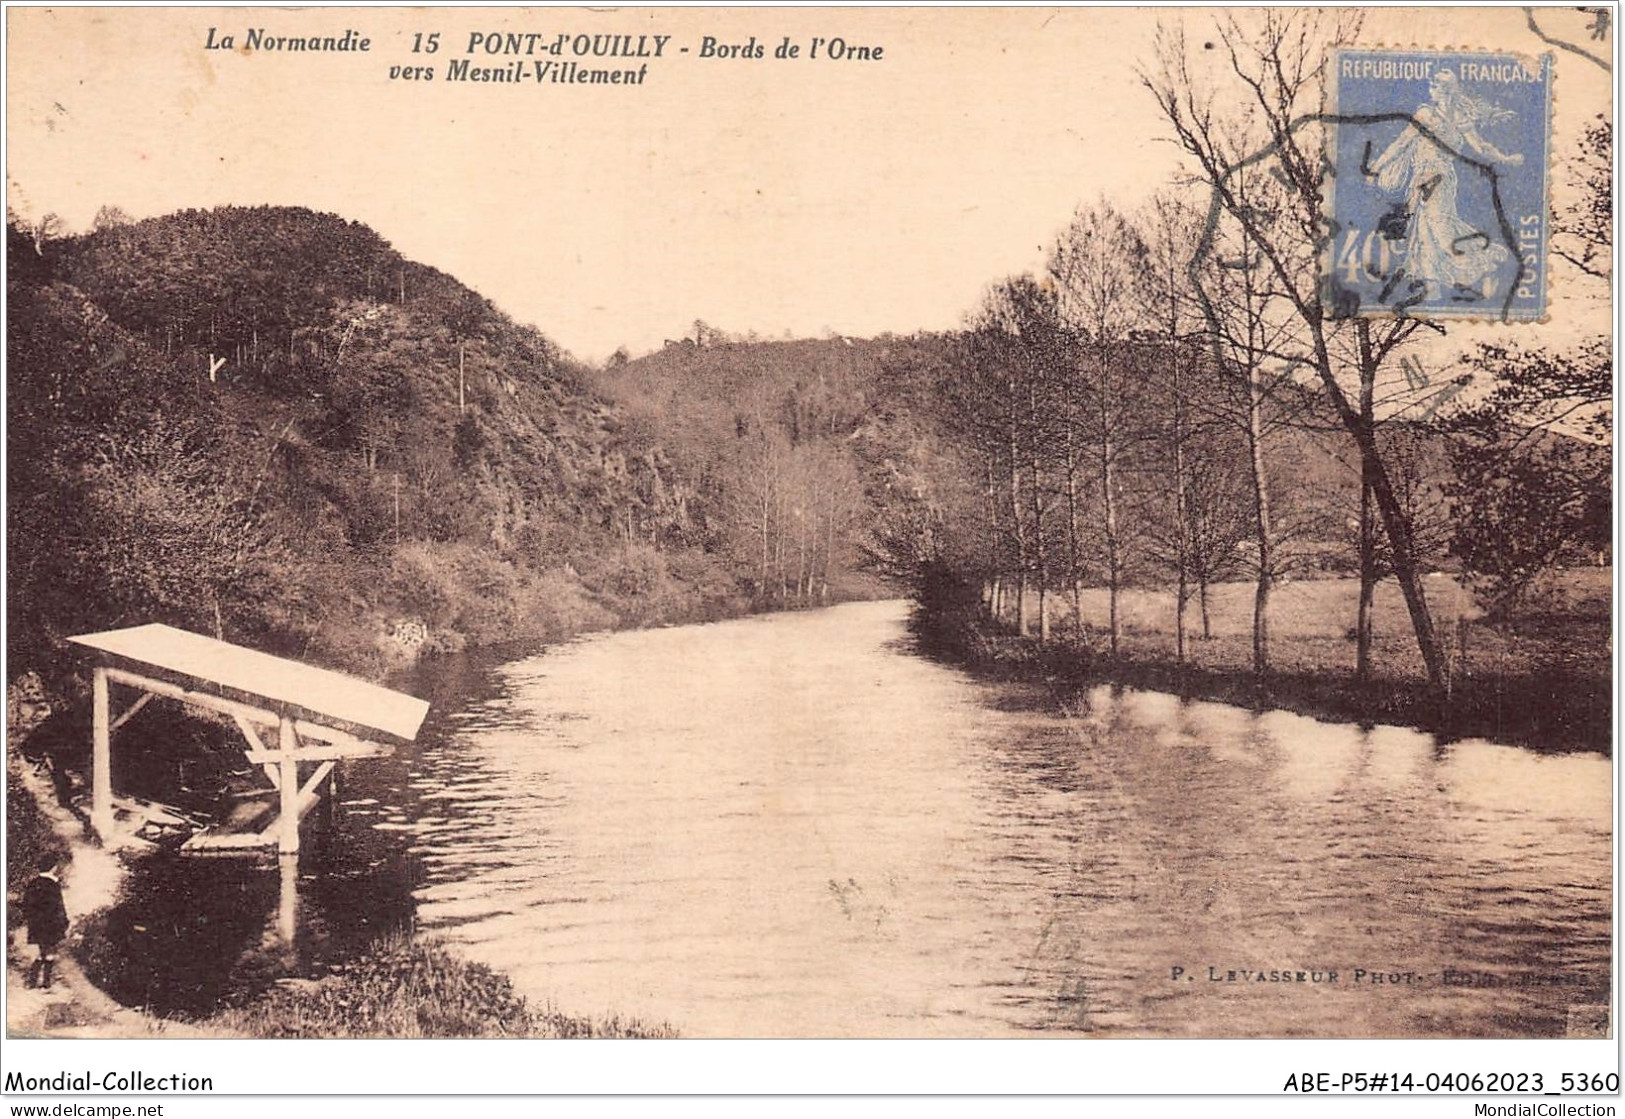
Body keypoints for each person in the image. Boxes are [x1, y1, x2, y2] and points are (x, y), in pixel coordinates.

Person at [1367, 69, 1524, 303]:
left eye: (1436, 86)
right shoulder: (1427, 114)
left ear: (1448, 91)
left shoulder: (1455, 118)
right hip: (1422, 179)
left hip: (1439, 178)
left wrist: (1505, 159)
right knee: (1424, 231)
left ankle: (1469, 266)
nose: (1432, 90)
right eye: (1432, 86)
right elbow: (1402, 143)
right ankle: (1433, 288)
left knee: (1439, 229)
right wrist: (1377, 168)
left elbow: (1481, 147)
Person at [21, 864, 69, 990]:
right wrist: (64, 922)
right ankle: (45, 983)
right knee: (50, 952)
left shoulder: (33, 883)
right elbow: (59, 907)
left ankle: (32, 982)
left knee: (40, 952)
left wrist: (31, 920)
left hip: (36, 924)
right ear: (53, 868)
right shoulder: (53, 885)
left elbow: (26, 905)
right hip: (51, 924)